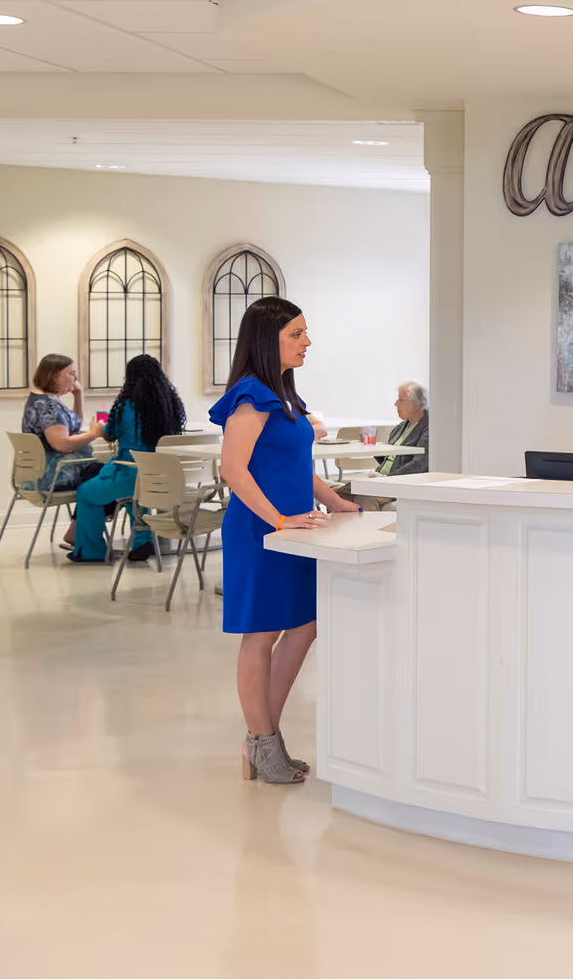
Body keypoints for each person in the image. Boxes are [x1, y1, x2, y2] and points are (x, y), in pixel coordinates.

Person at [211, 296, 357, 785]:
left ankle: (262, 738)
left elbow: (293, 467)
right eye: (296, 334)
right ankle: (263, 741)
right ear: (265, 339)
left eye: (305, 333)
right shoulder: (252, 395)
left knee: (304, 625)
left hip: (291, 531)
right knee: (261, 635)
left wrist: (335, 501)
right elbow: (233, 468)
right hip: (261, 530)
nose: (306, 341)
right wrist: (278, 519)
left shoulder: (287, 396)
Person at [68, 354, 184, 564]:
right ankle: (142, 541)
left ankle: (92, 551)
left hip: (131, 473)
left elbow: (111, 433)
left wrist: (98, 430)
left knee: (86, 493)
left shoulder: (126, 406)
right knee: (137, 492)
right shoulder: (171, 406)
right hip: (162, 477)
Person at [20, 353, 104, 549]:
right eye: (71, 374)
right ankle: (81, 535)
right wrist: (95, 434)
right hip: (56, 474)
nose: (75, 379)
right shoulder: (48, 407)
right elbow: (63, 444)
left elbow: (73, 427)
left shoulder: (40, 400)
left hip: (43, 472)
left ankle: (76, 531)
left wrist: (78, 396)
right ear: (53, 376)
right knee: (109, 475)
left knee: (101, 472)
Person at [375, 381, 431, 478]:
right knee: (340, 491)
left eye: (401, 400)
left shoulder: (428, 429)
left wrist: (387, 480)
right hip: (381, 477)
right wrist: (374, 449)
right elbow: (391, 460)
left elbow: (419, 465)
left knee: (341, 492)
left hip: (394, 483)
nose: (396, 404)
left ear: (417, 404)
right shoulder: (399, 428)